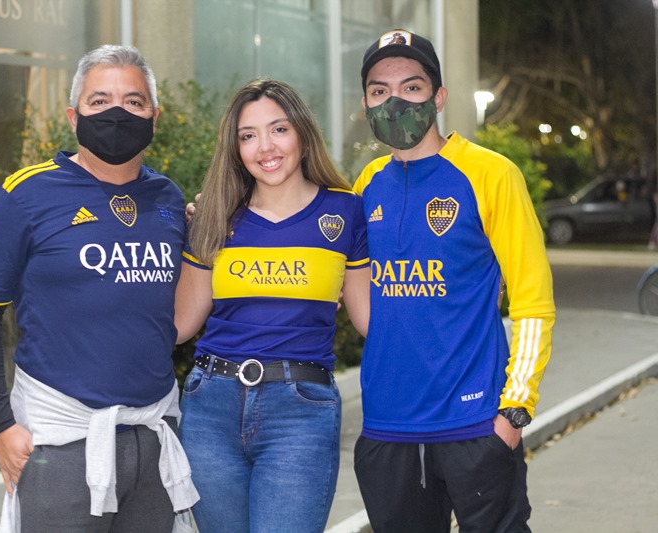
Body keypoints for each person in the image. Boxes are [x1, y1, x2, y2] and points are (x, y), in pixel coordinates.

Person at [0, 44, 197, 532]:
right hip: (61, 440)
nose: (117, 113)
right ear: (74, 116)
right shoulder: (24, 195)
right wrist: (0, 427)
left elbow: (174, 315)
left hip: (154, 436)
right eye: (99, 101)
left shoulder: (168, 199)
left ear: (154, 118)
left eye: (133, 101)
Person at [352, 29, 555, 532]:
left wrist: (515, 411)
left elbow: (533, 301)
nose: (395, 101)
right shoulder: (365, 185)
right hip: (387, 427)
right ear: (365, 103)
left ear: (438, 97)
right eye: (380, 91)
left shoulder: (491, 175)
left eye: (412, 87)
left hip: (475, 423)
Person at [174, 78, 370, 533]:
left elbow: (369, 319)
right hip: (210, 407)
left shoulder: (345, 212)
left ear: (302, 132)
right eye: (248, 135)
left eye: (279, 129)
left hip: (300, 412)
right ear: (235, 147)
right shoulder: (213, 214)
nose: (265, 147)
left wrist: (464, 287)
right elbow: (181, 324)